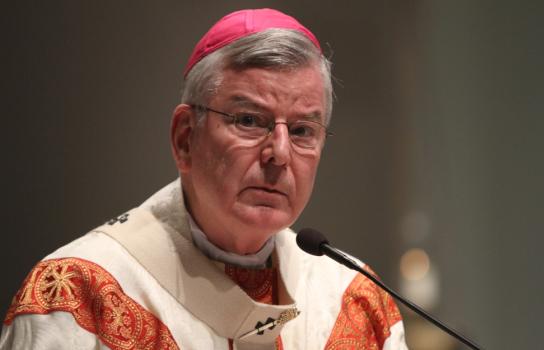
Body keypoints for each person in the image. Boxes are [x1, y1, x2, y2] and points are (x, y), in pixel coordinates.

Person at [0, 8, 407, 350]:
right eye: (249, 121)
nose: (279, 154)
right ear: (185, 138)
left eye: (302, 130)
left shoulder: (354, 299)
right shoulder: (80, 294)